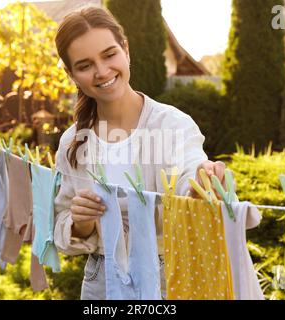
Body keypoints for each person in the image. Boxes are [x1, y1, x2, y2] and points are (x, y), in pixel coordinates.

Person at [53, 6, 227, 300]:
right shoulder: (73, 143)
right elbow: (61, 228)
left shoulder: (172, 125)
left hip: (166, 278)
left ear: (126, 49)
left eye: (109, 55)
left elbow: (188, 173)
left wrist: (202, 182)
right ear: (71, 75)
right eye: (85, 65)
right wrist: (81, 223)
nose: (102, 72)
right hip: (101, 281)